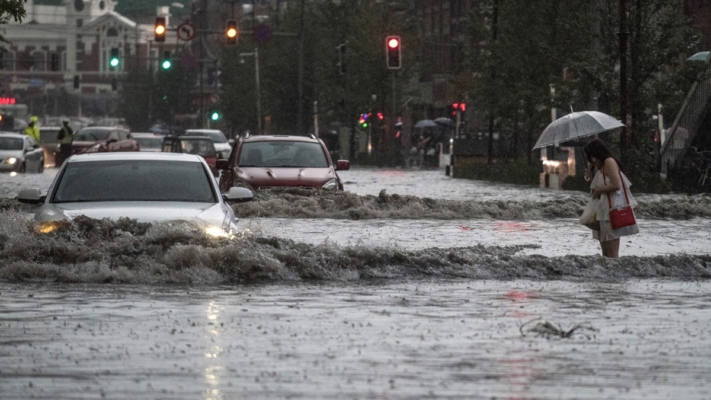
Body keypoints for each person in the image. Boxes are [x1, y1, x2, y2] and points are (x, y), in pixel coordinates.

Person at [583, 139, 639, 258]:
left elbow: (616, 184)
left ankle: (614, 275)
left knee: (611, 252)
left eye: (590, 156)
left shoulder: (609, 161)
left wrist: (598, 190)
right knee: (605, 252)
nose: (590, 159)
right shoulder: (598, 165)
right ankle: (607, 274)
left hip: (611, 208)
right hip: (602, 209)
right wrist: (590, 174)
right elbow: (597, 183)